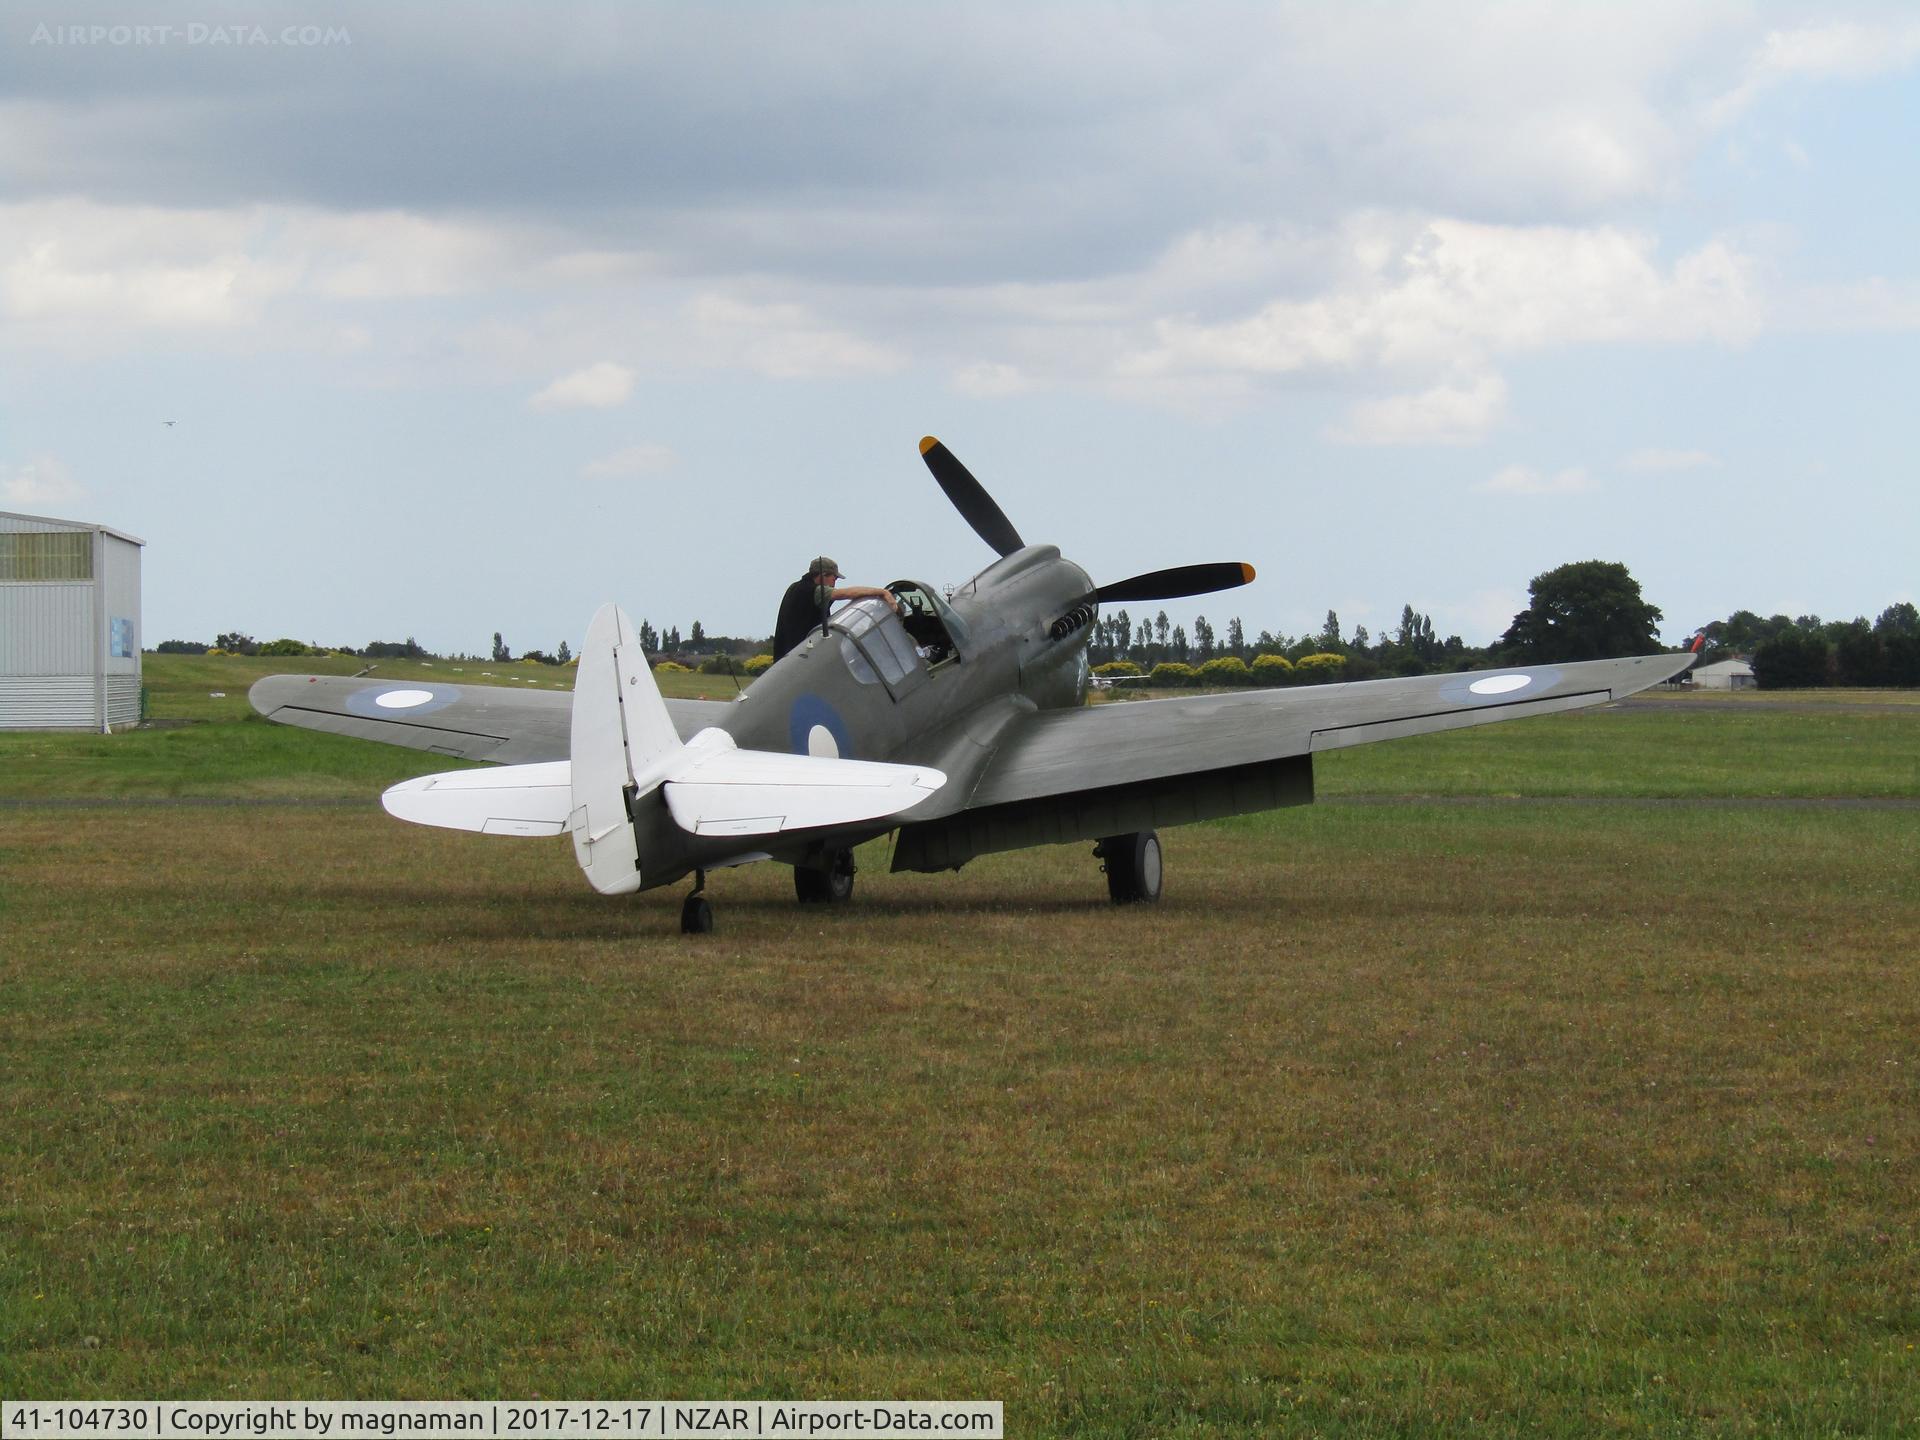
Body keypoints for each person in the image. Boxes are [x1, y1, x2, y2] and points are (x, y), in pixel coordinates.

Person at [771, 556, 899, 661]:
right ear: (822, 575)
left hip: (785, 658)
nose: (834, 582)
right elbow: (845, 594)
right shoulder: (813, 591)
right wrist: (883, 593)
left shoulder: (795, 588)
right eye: (834, 578)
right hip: (800, 660)